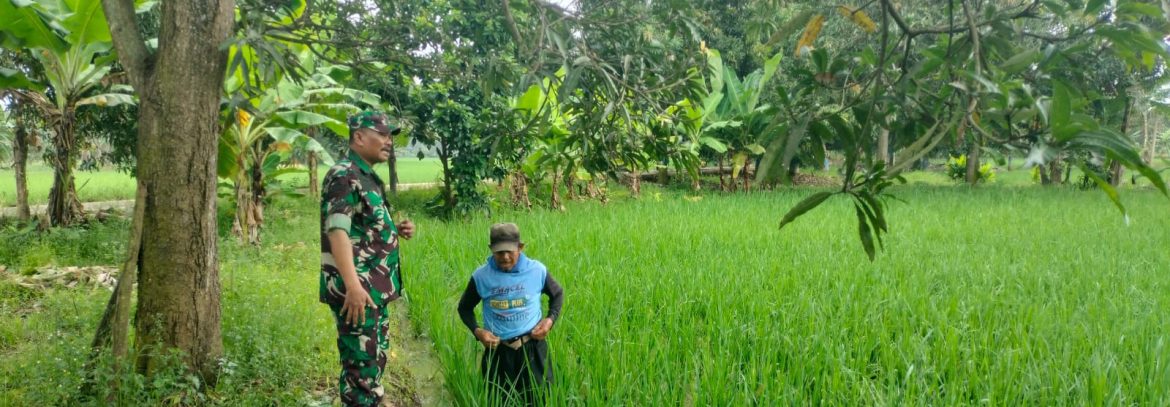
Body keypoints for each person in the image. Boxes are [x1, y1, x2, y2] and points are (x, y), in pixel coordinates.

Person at [320, 110, 416, 406]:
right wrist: (353, 287)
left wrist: (393, 229)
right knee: (360, 371)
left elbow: (361, 228)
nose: (389, 141)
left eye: (390, 136)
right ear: (359, 136)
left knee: (372, 362)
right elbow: (337, 230)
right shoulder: (344, 174)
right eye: (383, 134)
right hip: (359, 293)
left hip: (372, 292)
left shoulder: (366, 176)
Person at [457, 223, 564, 405]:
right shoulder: (481, 276)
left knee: (539, 400)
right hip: (498, 352)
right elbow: (464, 308)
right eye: (499, 252)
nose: (505, 257)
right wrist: (478, 332)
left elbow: (557, 294)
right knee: (498, 401)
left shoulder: (537, 271)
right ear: (491, 249)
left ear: (520, 248)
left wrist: (549, 320)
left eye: (510, 251)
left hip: (533, 349)